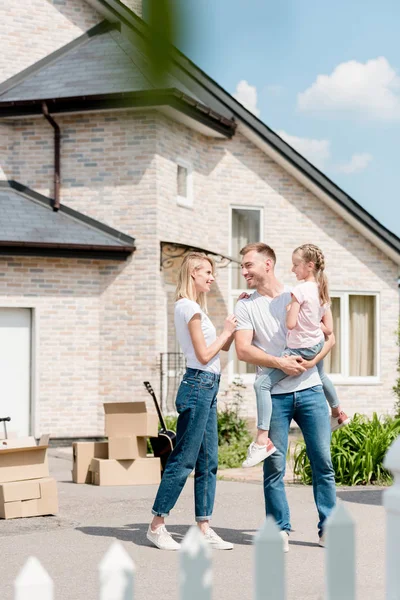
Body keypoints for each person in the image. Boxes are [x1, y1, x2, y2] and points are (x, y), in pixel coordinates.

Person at [235, 242, 336, 550]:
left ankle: (328, 528)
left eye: (248, 265)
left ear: (268, 265)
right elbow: (243, 349)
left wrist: (311, 363)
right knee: (274, 466)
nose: (244, 271)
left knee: (323, 463)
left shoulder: (302, 291)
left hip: (310, 391)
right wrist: (280, 362)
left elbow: (329, 337)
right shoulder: (245, 304)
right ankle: (280, 529)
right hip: (275, 396)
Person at [147, 252, 237, 551]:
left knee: (209, 461)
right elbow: (203, 355)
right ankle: (157, 525)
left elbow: (216, 350)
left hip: (208, 386)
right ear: (193, 273)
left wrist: (233, 325)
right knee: (184, 458)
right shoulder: (189, 308)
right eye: (208, 272)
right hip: (198, 385)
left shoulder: (197, 308)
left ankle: (203, 527)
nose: (212, 277)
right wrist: (226, 332)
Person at [243, 243, 349, 468]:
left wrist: (292, 309)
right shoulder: (320, 290)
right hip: (314, 347)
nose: (292, 269)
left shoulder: (297, 292)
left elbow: (290, 324)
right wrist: (312, 331)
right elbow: (329, 331)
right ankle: (338, 412)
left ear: (308, 266)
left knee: (261, 384)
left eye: (296, 265)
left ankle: (262, 439)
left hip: (299, 354)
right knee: (322, 377)